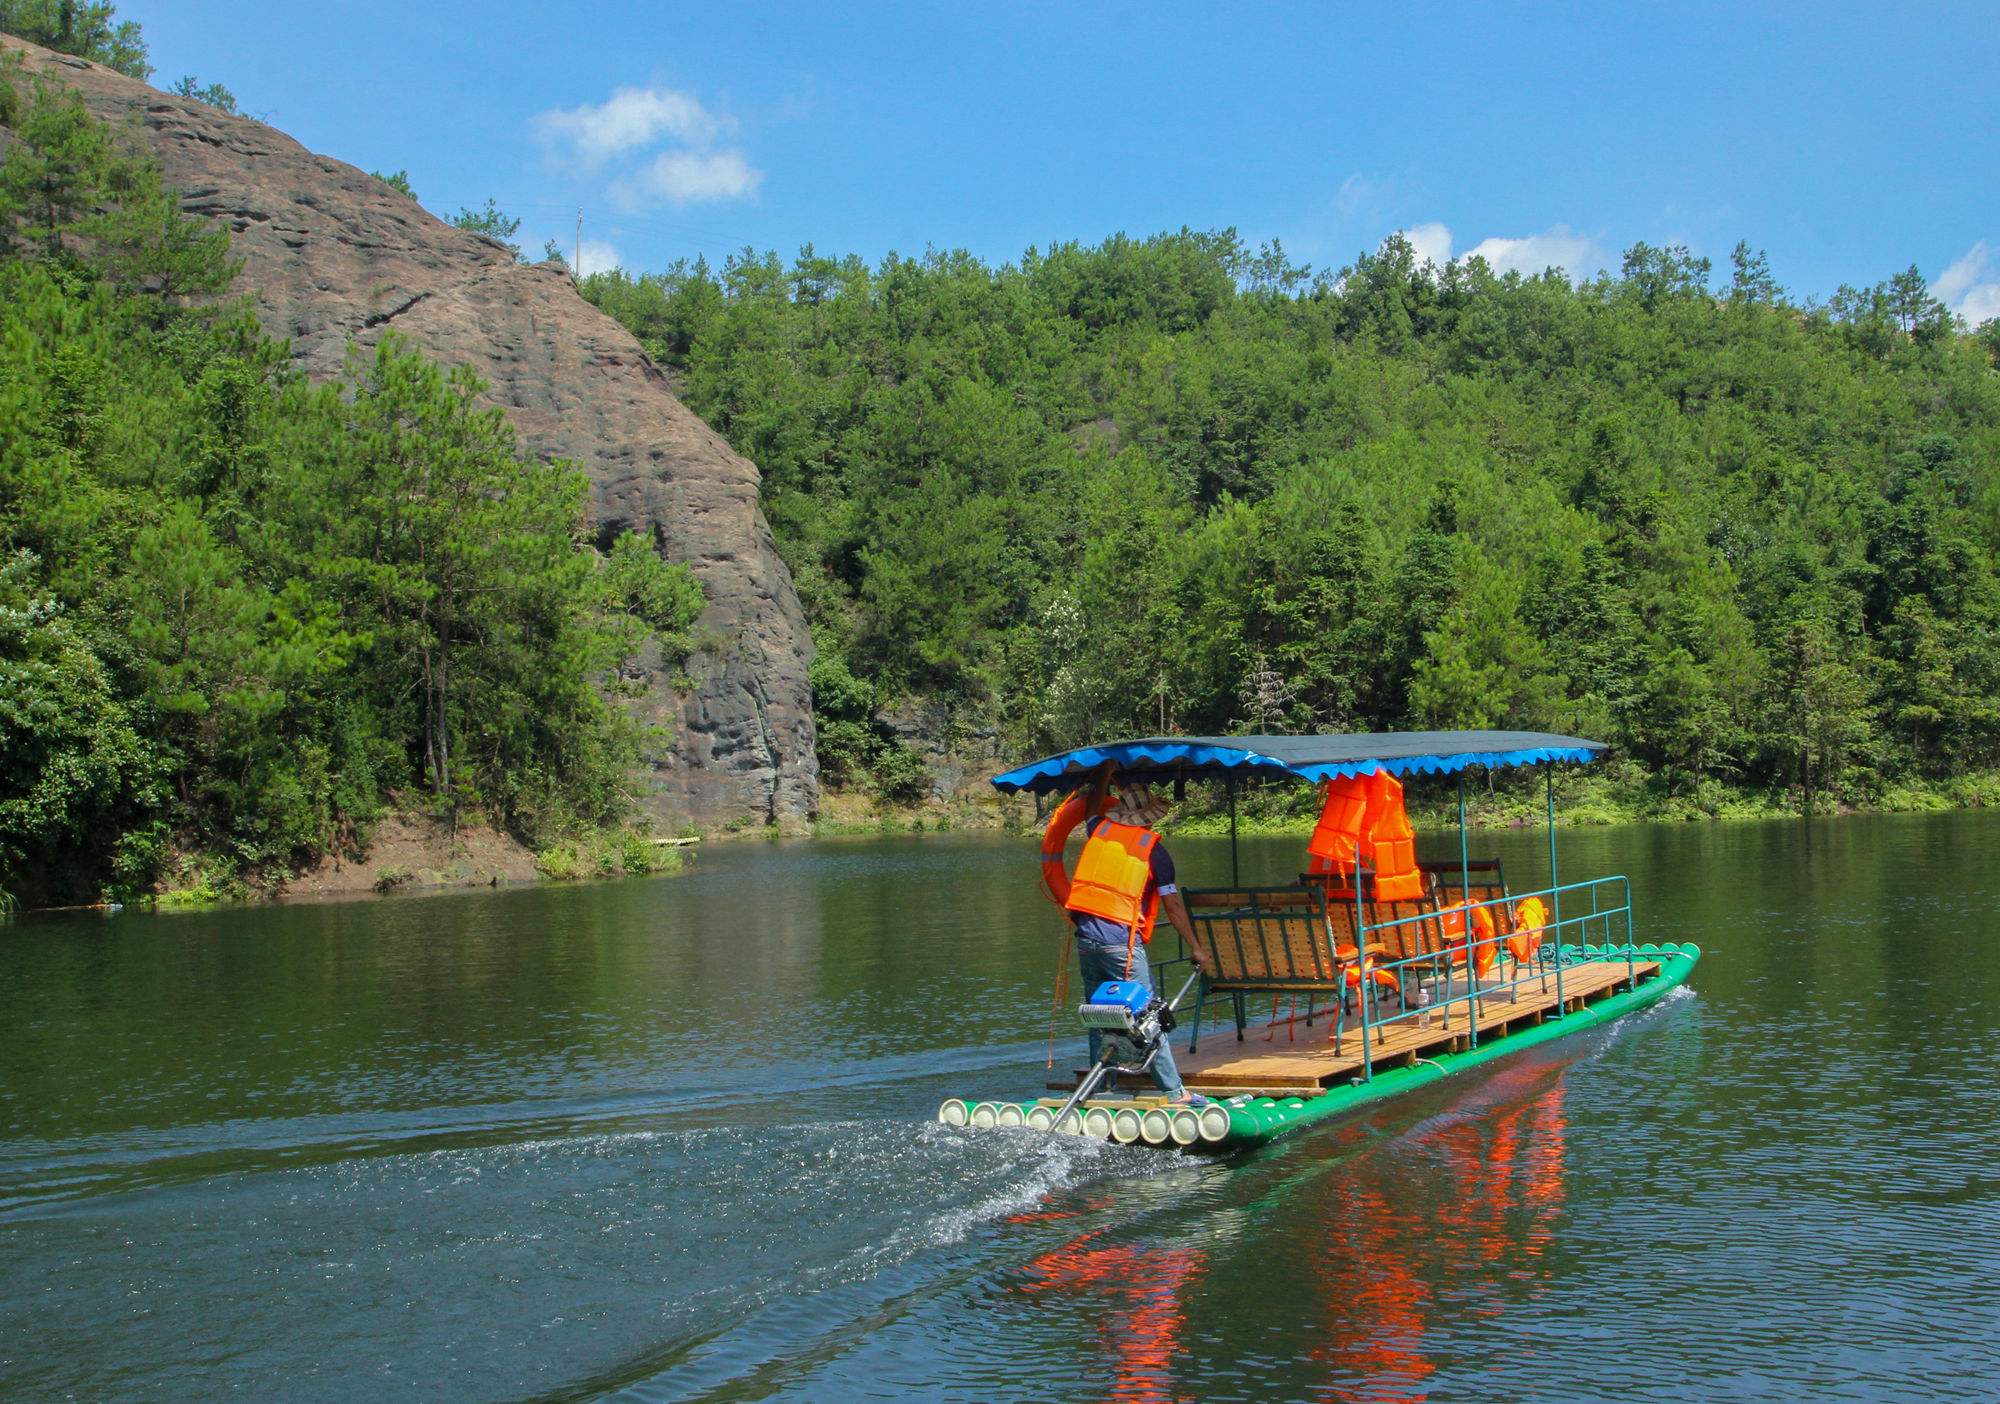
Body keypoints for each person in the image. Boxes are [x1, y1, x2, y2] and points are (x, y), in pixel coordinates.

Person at [1062, 781, 1210, 1106]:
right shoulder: (1154, 850)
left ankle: (1102, 1089)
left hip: (1086, 940)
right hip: (1121, 945)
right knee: (1146, 1015)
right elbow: (1172, 906)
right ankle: (1175, 1093)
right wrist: (1197, 947)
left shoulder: (1098, 830)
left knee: (1100, 1013)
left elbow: (1089, 809)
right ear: (1149, 818)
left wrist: (1105, 772)